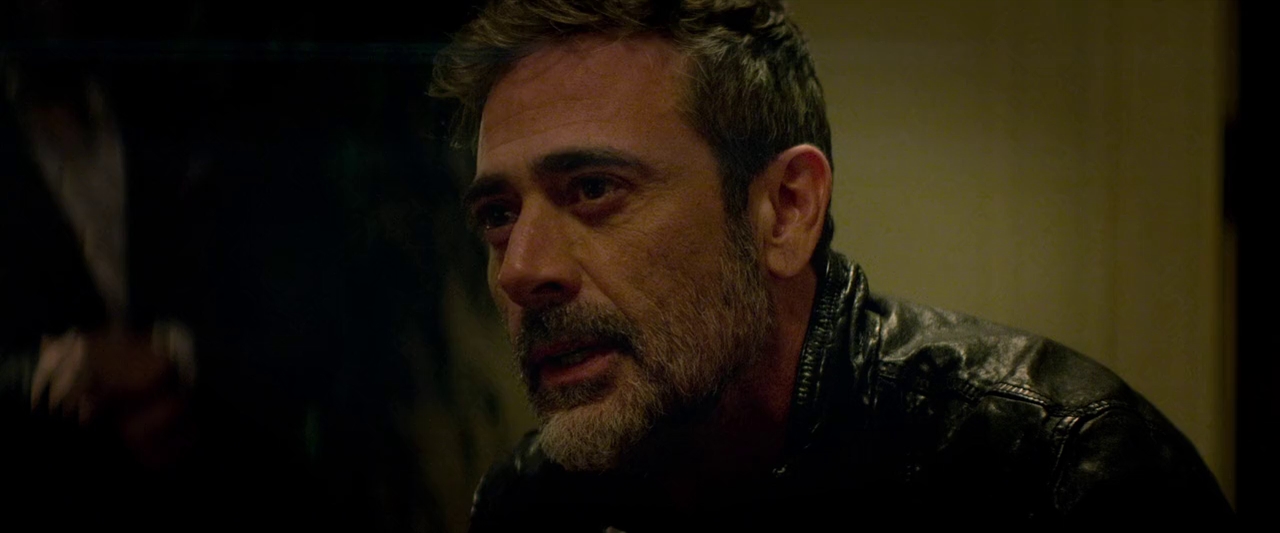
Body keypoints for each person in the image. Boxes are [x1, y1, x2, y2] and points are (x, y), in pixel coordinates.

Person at [431, 0, 1232, 529]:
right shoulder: (532, 503)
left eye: (594, 188)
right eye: (499, 214)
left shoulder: (1058, 469)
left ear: (786, 209)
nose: (520, 269)